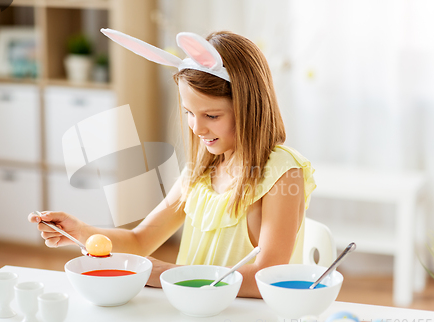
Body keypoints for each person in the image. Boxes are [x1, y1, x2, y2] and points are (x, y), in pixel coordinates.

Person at [28, 29, 316, 298]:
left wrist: (166, 273)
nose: (197, 128)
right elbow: (141, 241)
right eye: (189, 112)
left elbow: (267, 277)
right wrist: (81, 231)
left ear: (250, 107)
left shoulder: (283, 173)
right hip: (192, 312)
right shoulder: (200, 172)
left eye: (212, 116)